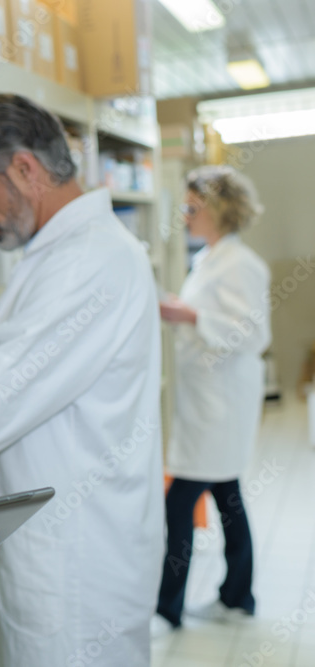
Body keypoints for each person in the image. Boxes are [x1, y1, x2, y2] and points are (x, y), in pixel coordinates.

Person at [0, 94, 164, 666]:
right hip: (68, 548)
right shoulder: (64, 252)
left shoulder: (85, 262)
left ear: (25, 170)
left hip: (77, 567)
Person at [153, 165, 270, 634]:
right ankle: (238, 596)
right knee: (228, 498)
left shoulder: (242, 263)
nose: (185, 216)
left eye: (192, 208)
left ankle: (168, 608)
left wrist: (183, 312)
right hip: (207, 401)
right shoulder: (210, 257)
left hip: (220, 405)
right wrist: (182, 310)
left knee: (179, 505)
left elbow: (253, 332)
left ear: (217, 210)